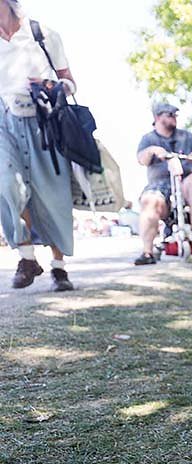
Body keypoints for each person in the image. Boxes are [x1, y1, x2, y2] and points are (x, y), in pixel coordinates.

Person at [0, 0, 75, 291]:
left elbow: (70, 82)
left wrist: (52, 86)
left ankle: (59, 267)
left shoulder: (41, 34)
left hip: (44, 121)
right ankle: (27, 256)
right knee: (7, 186)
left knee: (52, 194)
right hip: (3, 123)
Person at [134, 103, 192, 265]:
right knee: (150, 201)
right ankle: (147, 252)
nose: (174, 118)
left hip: (187, 180)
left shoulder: (186, 136)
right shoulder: (148, 139)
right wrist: (153, 151)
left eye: (175, 115)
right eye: (169, 114)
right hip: (160, 184)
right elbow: (142, 159)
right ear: (157, 117)